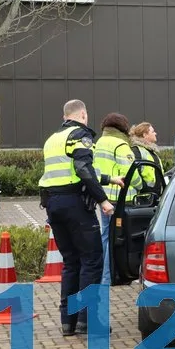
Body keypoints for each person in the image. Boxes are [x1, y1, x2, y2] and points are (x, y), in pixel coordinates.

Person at [37, 99, 123, 336]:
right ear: (83, 114)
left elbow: (76, 169)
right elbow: (83, 169)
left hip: (53, 204)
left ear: (65, 116)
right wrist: (103, 201)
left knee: (71, 262)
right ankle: (89, 320)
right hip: (75, 204)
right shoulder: (80, 135)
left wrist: (109, 179)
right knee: (92, 260)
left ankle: (69, 321)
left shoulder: (53, 139)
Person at [93, 113, 143, 285]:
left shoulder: (99, 142)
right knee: (117, 238)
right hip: (120, 198)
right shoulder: (121, 145)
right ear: (123, 127)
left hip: (103, 197)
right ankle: (110, 277)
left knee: (105, 235)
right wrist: (141, 185)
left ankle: (102, 275)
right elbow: (130, 172)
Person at [129, 122, 164, 195]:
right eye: (153, 131)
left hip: (154, 197)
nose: (155, 133)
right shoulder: (136, 151)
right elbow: (134, 174)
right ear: (144, 135)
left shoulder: (152, 152)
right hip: (143, 197)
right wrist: (144, 188)